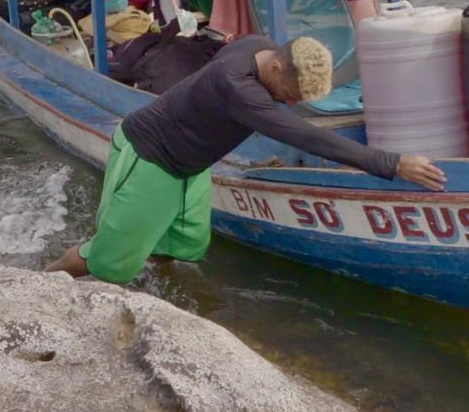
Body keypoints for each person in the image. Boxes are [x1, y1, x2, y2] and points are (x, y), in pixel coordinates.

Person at [45, 35, 446, 284]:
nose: (288, 104)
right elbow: (306, 136)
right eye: (288, 96)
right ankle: (37, 286)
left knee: (184, 246)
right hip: (150, 156)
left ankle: (145, 277)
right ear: (275, 67)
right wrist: (391, 163)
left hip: (190, 165)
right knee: (105, 262)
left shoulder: (257, 46)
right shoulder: (239, 88)